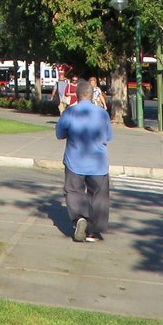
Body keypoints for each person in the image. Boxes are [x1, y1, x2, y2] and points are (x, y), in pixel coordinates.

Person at [56, 78, 113, 242]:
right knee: (99, 195)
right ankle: (93, 231)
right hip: (98, 162)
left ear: (77, 94)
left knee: (73, 191)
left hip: (75, 160)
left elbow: (59, 134)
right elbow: (108, 136)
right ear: (91, 94)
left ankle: (80, 218)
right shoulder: (102, 114)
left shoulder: (70, 113)